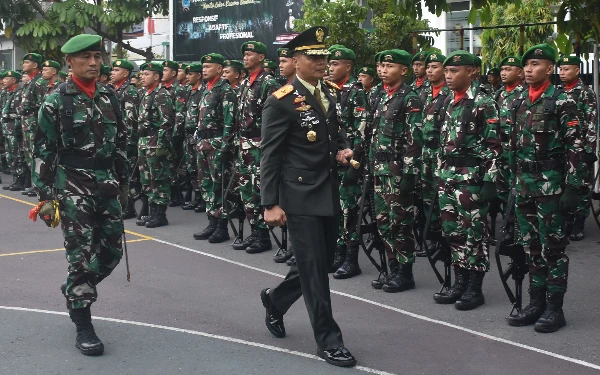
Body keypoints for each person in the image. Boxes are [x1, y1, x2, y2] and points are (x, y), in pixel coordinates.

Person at [260, 25, 356, 367]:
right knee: (315, 271)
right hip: (298, 195)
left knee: (320, 262)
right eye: (313, 57)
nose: (321, 62)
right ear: (295, 60)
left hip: (327, 191)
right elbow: (269, 155)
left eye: (323, 56)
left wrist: (343, 150)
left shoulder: (328, 92)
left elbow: (336, 135)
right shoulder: (281, 101)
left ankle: (276, 300)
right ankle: (329, 340)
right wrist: (270, 203)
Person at [31, 34, 129, 356]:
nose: (93, 63)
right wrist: (45, 197)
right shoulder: (56, 101)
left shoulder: (109, 96)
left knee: (112, 253)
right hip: (72, 186)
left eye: (97, 57)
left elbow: (122, 141)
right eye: (85, 57)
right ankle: (83, 323)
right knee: (82, 256)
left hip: (106, 183)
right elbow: (43, 150)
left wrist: (125, 180)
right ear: (69, 62)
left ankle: (75, 290)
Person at [505, 45, 585, 332]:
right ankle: (535, 302)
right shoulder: (519, 102)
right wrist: (511, 182)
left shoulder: (561, 101)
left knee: (552, 248)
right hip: (524, 186)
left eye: (535, 64)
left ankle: (554, 308)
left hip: (551, 187)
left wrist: (574, 188)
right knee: (531, 247)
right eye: (526, 64)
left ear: (549, 69)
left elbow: (577, 147)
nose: (528, 69)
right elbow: (512, 145)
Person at [433, 50, 501, 310]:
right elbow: (442, 143)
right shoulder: (448, 101)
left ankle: (475, 287)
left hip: (471, 179)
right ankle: (459, 282)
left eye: (454, 71)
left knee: (474, 233)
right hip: (448, 178)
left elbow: (495, 146)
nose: (448, 76)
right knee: (453, 232)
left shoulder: (484, 102)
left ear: (471, 71)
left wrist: (489, 181)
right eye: (447, 71)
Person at [368, 49, 423, 292]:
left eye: (389, 66)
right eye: (381, 66)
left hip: (398, 170)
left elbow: (415, 139)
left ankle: (405, 271)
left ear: (403, 70)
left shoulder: (409, 97)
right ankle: (392, 268)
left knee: (401, 222)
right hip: (380, 168)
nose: (383, 70)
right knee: (383, 222)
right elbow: (372, 134)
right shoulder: (380, 95)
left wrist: (410, 174)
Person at [234, 40, 280, 253]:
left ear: (261, 57)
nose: (245, 57)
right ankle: (256, 232)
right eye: (244, 54)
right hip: (244, 144)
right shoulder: (244, 83)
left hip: (260, 144)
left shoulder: (268, 83)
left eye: (250, 53)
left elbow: (275, 119)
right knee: (246, 190)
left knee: (260, 189)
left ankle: (264, 236)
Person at [327, 46, 368, 279]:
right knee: (336, 209)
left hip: (350, 162)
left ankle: (351, 259)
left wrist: (356, 160)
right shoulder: (331, 91)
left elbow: (361, 131)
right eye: (330, 64)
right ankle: (338, 254)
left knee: (349, 212)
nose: (331, 68)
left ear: (348, 66)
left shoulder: (356, 91)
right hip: (333, 160)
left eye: (335, 64)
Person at [192, 53, 237, 243]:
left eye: (208, 67)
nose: (204, 70)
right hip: (204, 143)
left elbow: (230, 120)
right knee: (206, 185)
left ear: (219, 69)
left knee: (219, 185)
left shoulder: (225, 90)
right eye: (203, 67)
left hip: (217, 143)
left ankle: (221, 226)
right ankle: (212, 221)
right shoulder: (206, 89)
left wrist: (225, 145)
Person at [558, 55, 598, 241]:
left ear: (577, 70)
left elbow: (591, 121)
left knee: (581, 185)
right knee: (565, 183)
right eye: (561, 69)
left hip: (580, 147)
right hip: (562, 147)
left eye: (567, 69)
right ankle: (567, 219)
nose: (562, 73)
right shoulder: (558, 91)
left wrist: (590, 149)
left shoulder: (585, 92)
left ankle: (579, 222)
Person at [136, 62, 174, 228]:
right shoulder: (146, 94)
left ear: (156, 77)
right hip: (144, 142)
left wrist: (160, 145)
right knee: (147, 179)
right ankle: (152, 211)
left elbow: (167, 122)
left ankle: (160, 214)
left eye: (146, 74)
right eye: (142, 74)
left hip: (155, 143)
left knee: (158, 179)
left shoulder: (161, 95)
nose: (142, 77)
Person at [494, 56, 527, 242]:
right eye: (503, 69)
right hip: (501, 151)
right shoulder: (498, 95)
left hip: (518, 150)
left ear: (520, 73)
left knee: (518, 190)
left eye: (509, 69)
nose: (504, 73)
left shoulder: (524, 94)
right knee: (503, 190)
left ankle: (517, 227)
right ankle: (508, 224)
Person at [419, 52, 448, 250]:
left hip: (442, 154)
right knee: (428, 196)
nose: (429, 70)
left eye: (434, 67)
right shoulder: (423, 93)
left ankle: (446, 239)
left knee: (444, 199)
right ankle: (434, 236)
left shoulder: (450, 94)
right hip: (426, 153)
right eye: (428, 67)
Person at [110, 59, 140, 219]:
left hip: (127, 140)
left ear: (126, 73)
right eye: (112, 70)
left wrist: (128, 141)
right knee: (119, 172)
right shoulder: (115, 90)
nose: (112, 73)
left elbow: (131, 119)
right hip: (116, 138)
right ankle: (123, 203)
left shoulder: (129, 91)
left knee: (129, 175)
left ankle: (130, 207)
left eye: (116, 70)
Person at [179, 63, 205, 211]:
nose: (187, 77)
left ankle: (203, 198)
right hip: (188, 136)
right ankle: (197, 196)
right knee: (191, 169)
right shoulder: (188, 91)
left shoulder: (203, 92)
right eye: (186, 74)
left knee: (201, 169)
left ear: (198, 75)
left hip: (199, 136)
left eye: (190, 74)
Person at [20, 52, 46, 197]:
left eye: (27, 62)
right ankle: (33, 184)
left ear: (35, 65)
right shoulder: (30, 81)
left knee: (36, 155)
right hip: (27, 125)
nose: (24, 65)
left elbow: (42, 105)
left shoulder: (39, 82)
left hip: (34, 125)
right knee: (29, 155)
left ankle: (39, 186)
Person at [1, 70, 25, 190]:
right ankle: (15, 179)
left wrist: (7, 116)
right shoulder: (7, 93)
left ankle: (20, 181)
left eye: (7, 78)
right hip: (7, 129)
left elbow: (20, 113)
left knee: (17, 155)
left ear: (14, 80)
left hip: (15, 129)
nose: (4, 81)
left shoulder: (19, 93)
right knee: (10, 155)